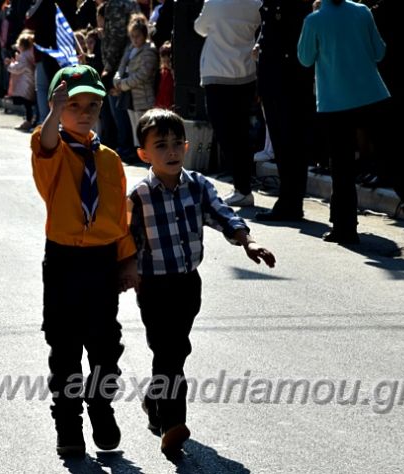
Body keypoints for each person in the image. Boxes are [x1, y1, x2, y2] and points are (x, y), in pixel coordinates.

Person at [128, 108, 276, 456]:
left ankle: (154, 400)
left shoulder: (197, 185)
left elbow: (223, 214)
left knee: (175, 349)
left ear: (187, 145)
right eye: (161, 145)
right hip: (152, 286)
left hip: (187, 284)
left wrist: (248, 241)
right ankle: (172, 423)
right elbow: (122, 239)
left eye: (177, 143)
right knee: (168, 351)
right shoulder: (137, 195)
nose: (172, 152)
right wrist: (122, 272)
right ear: (143, 154)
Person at [29, 64, 138, 456]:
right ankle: (68, 422)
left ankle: (101, 406)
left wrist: (127, 260)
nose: (86, 111)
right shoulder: (52, 150)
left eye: (93, 104)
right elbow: (45, 145)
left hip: (102, 262)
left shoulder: (109, 158)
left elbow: (120, 215)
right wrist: (53, 113)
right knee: (64, 347)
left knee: (106, 344)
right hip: (63, 262)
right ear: (58, 107)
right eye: (75, 104)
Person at [297, 0, 404, 244]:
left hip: (334, 100)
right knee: (390, 156)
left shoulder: (313, 20)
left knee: (342, 165)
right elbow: (379, 52)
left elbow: (305, 58)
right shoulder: (362, 12)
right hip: (372, 94)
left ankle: (345, 227)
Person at [194, 0, 261, 207]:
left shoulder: (214, 3)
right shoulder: (255, 4)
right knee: (241, 131)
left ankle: (241, 187)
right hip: (245, 73)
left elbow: (199, 28)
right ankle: (243, 186)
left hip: (217, 74)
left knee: (226, 133)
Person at [253, 0, 315, 221]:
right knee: (283, 144)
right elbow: (268, 31)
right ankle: (290, 201)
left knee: (290, 143)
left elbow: (290, 37)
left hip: (288, 79)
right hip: (276, 77)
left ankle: (291, 202)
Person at [100, 0, 139, 161]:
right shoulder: (130, 4)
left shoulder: (116, 5)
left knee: (118, 108)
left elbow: (116, 38)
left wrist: (109, 67)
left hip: (118, 64)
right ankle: (124, 145)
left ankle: (124, 146)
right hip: (128, 60)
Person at [113, 13, 158, 148]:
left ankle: (147, 151)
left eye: (137, 36)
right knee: (134, 126)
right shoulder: (130, 48)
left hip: (142, 95)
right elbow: (122, 66)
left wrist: (124, 84)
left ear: (144, 34)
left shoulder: (149, 50)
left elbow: (143, 74)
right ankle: (137, 149)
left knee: (144, 126)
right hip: (130, 95)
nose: (134, 39)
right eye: (132, 36)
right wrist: (117, 79)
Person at [5, 29, 36, 130]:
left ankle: (28, 121)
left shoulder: (23, 56)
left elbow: (17, 68)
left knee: (27, 104)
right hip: (31, 81)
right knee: (31, 103)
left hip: (26, 83)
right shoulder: (31, 54)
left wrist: (10, 64)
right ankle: (32, 119)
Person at [153, 40, 173, 110]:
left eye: (168, 56)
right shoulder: (160, 73)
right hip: (159, 105)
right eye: (163, 56)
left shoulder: (173, 73)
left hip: (171, 105)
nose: (166, 59)